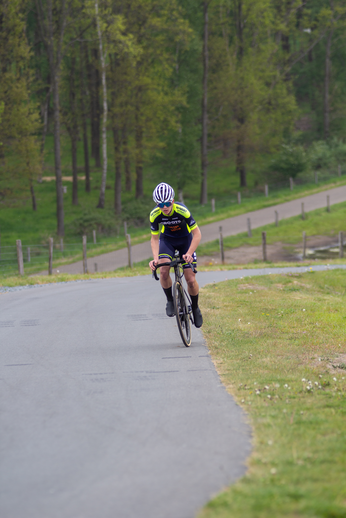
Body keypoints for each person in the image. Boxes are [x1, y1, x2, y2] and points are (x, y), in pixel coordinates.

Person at [149, 182, 203, 328]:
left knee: (190, 279)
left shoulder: (182, 210)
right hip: (168, 241)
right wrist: (155, 259)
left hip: (186, 240)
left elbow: (197, 234)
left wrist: (190, 253)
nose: (164, 207)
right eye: (161, 204)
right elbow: (154, 239)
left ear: (172, 201)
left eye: (167, 203)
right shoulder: (154, 215)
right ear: (157, 205)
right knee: (163, 270)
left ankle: (196, 307)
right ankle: (170, 300)